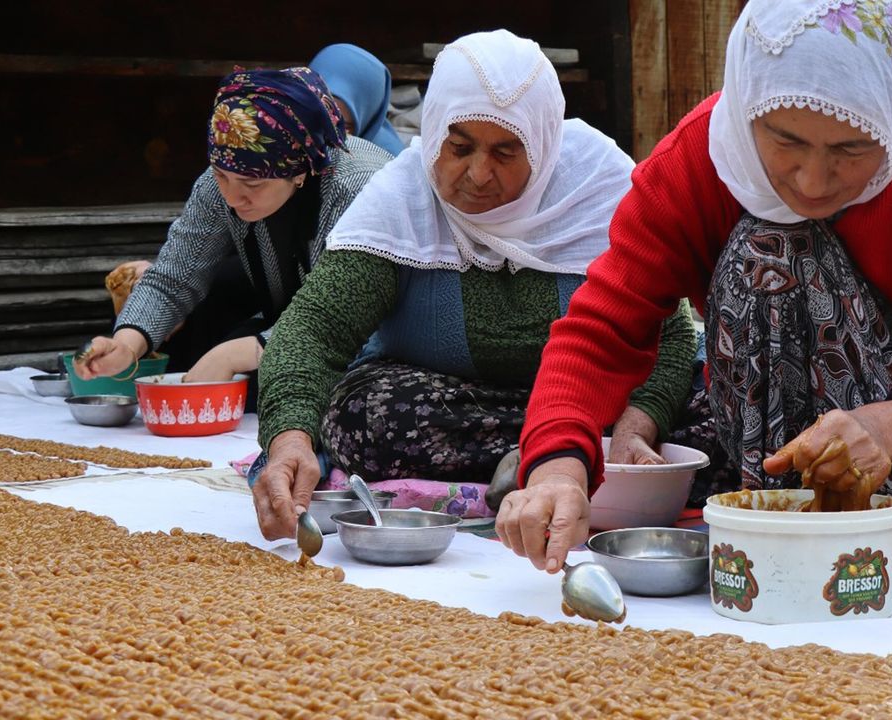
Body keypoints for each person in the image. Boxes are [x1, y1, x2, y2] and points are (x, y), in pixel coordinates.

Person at [498, 0, 892, 581]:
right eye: (786, 141)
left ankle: (775, 513)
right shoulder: (697, 160)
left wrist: (879, 430)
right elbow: (602, 330)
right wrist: (557, 472)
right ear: (747, 105)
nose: (813, 180)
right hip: (776, 422)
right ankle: (785, 499)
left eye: (851, 149)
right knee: (771, 243)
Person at [251, 30, 696, 540]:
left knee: (721, 417)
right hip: (451, 407)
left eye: (506, 152)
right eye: (459, 147)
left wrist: (636, 429)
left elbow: (671, 334)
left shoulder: (600, 190)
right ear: (434, 131)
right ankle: (551, 461)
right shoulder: (401, 201)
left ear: (543, 144)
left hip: (593, 410)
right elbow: (312, 332)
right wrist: (289, 442)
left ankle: (559, 458)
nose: (479, 174)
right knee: (366, 415)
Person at [74, 67, 394, 400]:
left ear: (299, 171)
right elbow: (174, 276)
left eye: (252, 184)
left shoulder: (357, 188)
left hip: (374, 340)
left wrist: (233, 355)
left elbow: (344, 315)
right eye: (221, 176)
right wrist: (126, 345)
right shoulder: (225, 178)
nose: (232, 197)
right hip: (290, 328)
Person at [309, 43, 407, 156]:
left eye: (343, 127)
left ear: (367, 120)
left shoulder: (386, 162)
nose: (325, 134)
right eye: (317, 117)